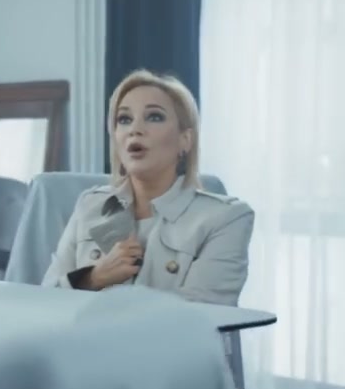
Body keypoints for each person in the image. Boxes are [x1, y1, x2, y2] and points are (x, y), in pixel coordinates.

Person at [41, 69, 255, 306]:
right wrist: (94, 277)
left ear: (185, 140)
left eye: (154, 117)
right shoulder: (90, 206)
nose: (135, 129)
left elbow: (200, 317)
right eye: (124, 119)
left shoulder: (225, 218)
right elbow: (45, 301)